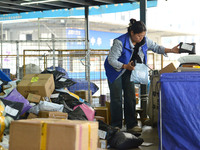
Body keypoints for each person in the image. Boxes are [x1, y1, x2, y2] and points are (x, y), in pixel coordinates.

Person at [104, 18, 179, 132]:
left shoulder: (144, 40)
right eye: (139, 35)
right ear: (132, 33)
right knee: (117, 98)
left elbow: (157, 47)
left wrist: (171, 50)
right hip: (115, 71)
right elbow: (111, 60)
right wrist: (125, 66)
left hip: (129, 70)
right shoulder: (119, 42)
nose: (141, 38)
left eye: (143, 35)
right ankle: (116, 125)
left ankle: (131, 124)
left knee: (130, 97)